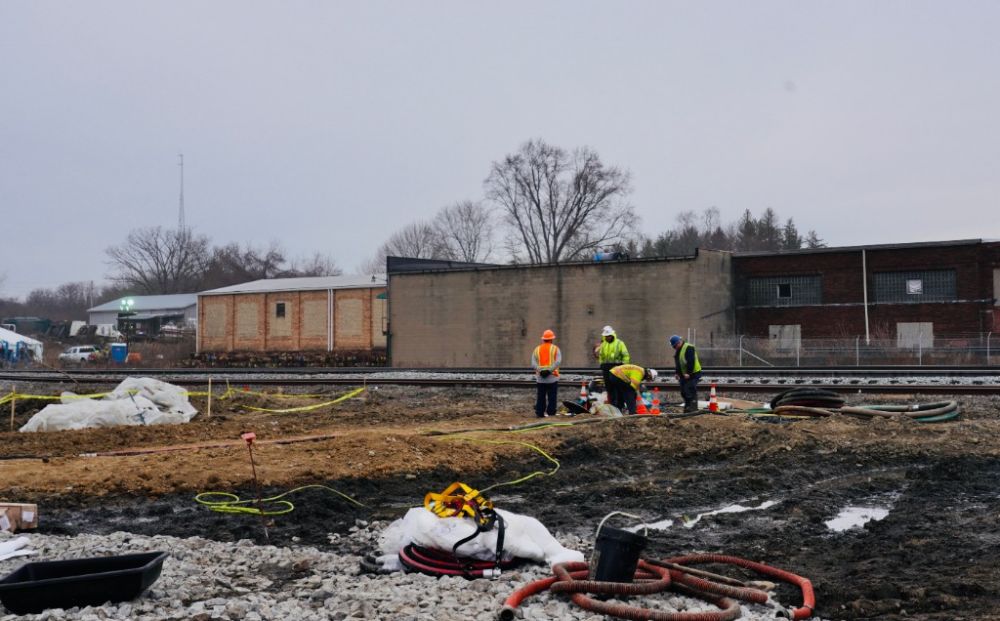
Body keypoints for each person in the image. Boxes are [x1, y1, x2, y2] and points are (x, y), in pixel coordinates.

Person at [594, 325, 630, 406]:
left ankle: (620, 405)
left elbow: (625, 355)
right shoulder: (603, 345)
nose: (607, 337)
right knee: (609, 387)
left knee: (618, 387)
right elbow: (601, 356)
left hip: (617, 367)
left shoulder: (619, 343)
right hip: (606, 368)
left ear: (612, 335)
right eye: (605, 336)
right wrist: (602, 364)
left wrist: (624, 366)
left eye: (608, 336)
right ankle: (613, 405)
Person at [532, 329, 562, 418]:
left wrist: (541, 371)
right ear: (552, 339)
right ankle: (551, 412)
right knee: (552, 396)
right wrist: (549, 371)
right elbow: (558, 362)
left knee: (541, 396)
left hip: (540, 378)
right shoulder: (555, 349)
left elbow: (533, 363)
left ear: (543, 339)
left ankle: (540, 412)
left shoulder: (537, 349)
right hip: (552, 377)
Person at [670, 335, 702, 413]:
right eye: (673, 347)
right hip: (684, 374)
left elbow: (691, 361)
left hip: (693, 373)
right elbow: (678, 363)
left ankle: (693, 408)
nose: (674, 348)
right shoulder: (678, 350)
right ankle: (687, 407)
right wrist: (677, 373)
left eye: (675, 346)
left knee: (689, 389)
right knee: (683, 391)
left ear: (679, 342)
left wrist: (689, 373)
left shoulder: (689, 347)